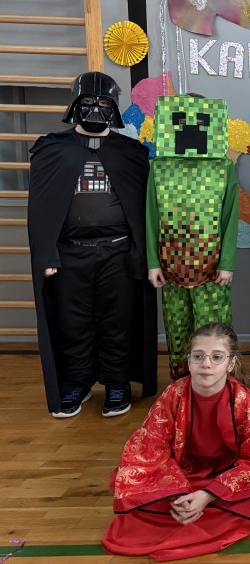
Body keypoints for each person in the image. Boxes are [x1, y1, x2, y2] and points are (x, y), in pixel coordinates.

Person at [27, 71, 156, 418]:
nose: (96, 109)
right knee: (73, 322)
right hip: (69, 253)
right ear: (74, 104)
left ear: (114, 107)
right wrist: (46, 253)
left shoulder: (131, 153)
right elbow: (40, 207)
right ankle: (77, 382)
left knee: (118, 320)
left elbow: (144, 209)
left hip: (118, 252)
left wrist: (142, 254)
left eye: (104, 103)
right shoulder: (52, 150)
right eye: (88, 102)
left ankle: (116, 383)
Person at [102, 323, 250, 562]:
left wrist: (208, 495)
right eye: (198, 356)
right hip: (183, 470)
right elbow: (150, 445)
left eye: (216, 357)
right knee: (140, 499)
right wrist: (175, 493)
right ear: (189, 361)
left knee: (247, 503)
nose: (206, 364)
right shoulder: (173, 394)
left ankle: (201, 507)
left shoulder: (244, 401)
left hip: (227, 473)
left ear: (231, 364)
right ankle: (184, 505)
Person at [147, 94, 239, 380]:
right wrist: (153, 262)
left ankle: (219, 383)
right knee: (177, 327)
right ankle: (181, 383)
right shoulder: (159, 168)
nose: (190, 128)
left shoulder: (223, 167)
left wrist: (227, 262)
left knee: (214, 329)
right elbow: (151, 216)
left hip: (212, 266)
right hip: (171, 264)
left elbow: (230, 216)